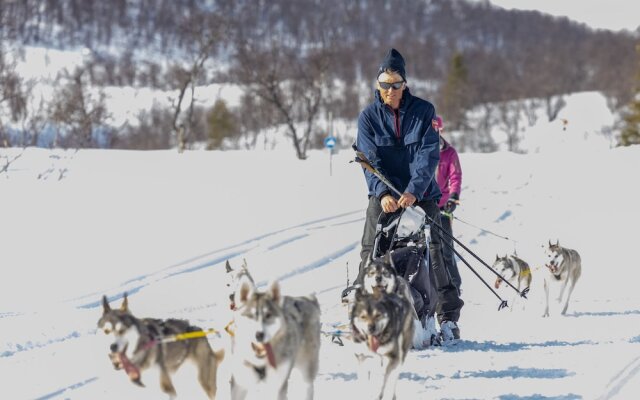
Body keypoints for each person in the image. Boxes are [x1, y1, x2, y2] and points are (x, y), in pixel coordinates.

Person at [352, 48, 463, 339]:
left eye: (396, 84)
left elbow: (428, 156)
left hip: (421, 193)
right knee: (371, 248)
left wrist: (414, 190)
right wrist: (381, 192)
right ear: (378, 85)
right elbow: (368, 160)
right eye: (385, 84)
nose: (390, 90)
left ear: (405, 85)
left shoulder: (424, 111)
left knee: (439, 252)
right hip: (385, 194)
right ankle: (362, 311)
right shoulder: (367, 118)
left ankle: (448, 317)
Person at [434, 115, 463, 293]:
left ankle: (454, 287)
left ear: (440, 130)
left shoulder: (449, 152)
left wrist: (453, 196)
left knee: (446, 249)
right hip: (421, 208)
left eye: (436, 129)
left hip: (443, 207)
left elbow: (455, 176)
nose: (432, 132)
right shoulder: (417, 149)